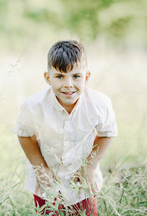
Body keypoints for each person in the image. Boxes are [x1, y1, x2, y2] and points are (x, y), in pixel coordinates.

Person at [14, 40, 117, 215]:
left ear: (87, 77)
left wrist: (90, 166)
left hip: (81, 181)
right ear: (48, 78)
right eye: (60, 76)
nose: (68, 84)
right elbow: (24, 134)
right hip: (47, 181)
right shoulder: (33, 106)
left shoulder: (100, 104)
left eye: (76, 76)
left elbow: (108, 133)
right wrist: (41, 168)